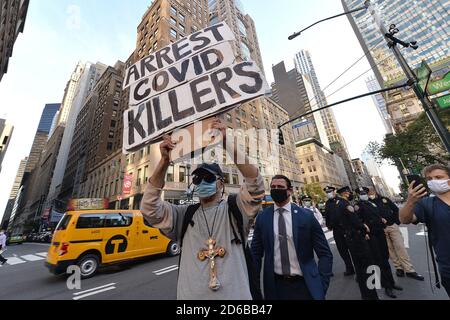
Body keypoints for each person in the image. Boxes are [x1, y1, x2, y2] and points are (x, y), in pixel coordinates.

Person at [140, 118, 265, 300]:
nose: (201, 182)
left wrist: (226, 143)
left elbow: (255, 186)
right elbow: (149, 208)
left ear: (221, 183)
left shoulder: (236, 210)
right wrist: (164, 162)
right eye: (197, 179)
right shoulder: (183, 215)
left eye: (208, 177)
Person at [250, 175, 333, 300]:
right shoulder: (263, 218)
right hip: (275, 288)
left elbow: (325, 253)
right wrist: (254, 287)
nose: (276, 189)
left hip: (305, 285)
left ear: (290, 191)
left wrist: (321, 284)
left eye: (280, 187)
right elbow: (255, 254)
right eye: (273, 187)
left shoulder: (307, 216)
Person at [400, 164, 450, 298]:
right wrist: (410, 201)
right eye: (429, 179)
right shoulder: (426, 204)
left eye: (439, 177)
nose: (434, 181)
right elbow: (405, 219)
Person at [355, 187, 403, 298]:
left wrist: (382, 219)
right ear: (358, 195)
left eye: (365, 193)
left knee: (385, 258)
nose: (364, 195)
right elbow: (358, 220)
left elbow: (376, 215)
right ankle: (387, 286)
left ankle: (391, 282)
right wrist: (363, 230)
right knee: (379, 260)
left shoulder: (371, 204)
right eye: (361, 193)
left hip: (380, 233)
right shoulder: (358, 206)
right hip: (371, 236)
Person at [368, 188, 424, 281]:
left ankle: (409, 270)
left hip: (392, 226)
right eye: (368, 193)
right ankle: (398, 268)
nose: (370, 194)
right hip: (380, 229)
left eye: (371, 192)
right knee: (390, 250)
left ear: (375, 191)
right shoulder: (368, 203)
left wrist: (396, 222)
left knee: (400, 247)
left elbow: (395, 209)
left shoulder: (384, 199)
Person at [335, 186, 378, 300]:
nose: (350, 194)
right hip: (357, 238)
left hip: (350, 237)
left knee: (360, 267)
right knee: (367, 265)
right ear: (345, 193)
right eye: (348, 192)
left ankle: (366, 295)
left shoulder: (339, 203)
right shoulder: (345, 204)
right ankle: (372, 295)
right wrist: (364, 229)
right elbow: (354, 220)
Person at [324, 186, 355, 276]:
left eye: (330, 191)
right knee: (342, 250)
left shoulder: (342, 200)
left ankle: (358, 269)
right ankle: (349, 268)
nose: (328, 193)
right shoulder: (327, 203)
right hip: (336, 230)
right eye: (327, 192)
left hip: (346, 229)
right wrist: (328, 225)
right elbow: (327, 215)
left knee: (352, 249)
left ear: (334, 192)